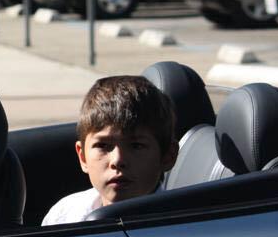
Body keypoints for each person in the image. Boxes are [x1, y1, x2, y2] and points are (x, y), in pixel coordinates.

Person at [41, 76, 178, 226]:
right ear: (82, 157)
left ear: (168, 156)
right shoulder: (65, 215)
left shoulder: (178, 227)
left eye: (136, 146)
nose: (118, 160)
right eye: (102, 145)